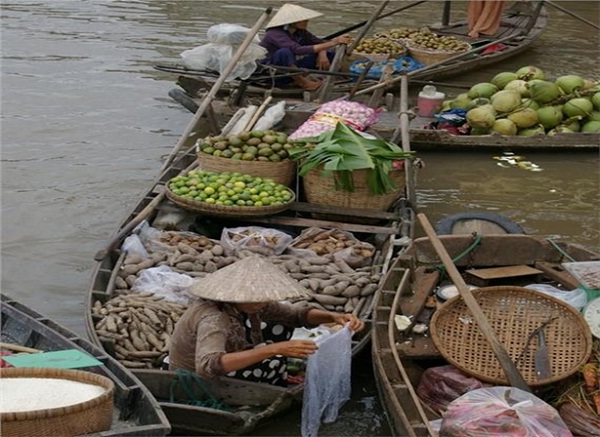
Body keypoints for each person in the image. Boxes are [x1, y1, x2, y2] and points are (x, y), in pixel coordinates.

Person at [169, 255, 365, 387]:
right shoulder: (214, 317)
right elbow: (208, 365)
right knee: (274, 357)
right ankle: (271, 381)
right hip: (197, 378)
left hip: (224, 357)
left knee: (280, 326)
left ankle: (274, 366)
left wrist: (332, 316)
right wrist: (274, 349)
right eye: (257, 299)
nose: (262, 303)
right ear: (236, 294)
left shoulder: (253, 304)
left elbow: (296, 315)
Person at [259, 3, 353, 91]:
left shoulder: (300, 32)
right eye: (303, 20)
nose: (307, 21)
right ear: (292, 22)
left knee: (330, 54)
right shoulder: (274, 33)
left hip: (291, 69)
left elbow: (319, 42)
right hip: (271, 72)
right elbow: (297, 50)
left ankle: (335, 76)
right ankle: (302, 82)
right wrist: (334, 42)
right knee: (284, 52)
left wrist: (322, 53)